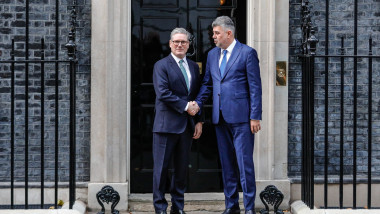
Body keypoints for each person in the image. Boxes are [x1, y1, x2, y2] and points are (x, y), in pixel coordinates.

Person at [193, 16, 262, 214]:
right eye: (213, 33)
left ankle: (249, 208)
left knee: (244, 164)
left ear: (228, 33)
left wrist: (255, 116)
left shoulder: (247, 53)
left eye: (216, 33)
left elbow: (255, 87)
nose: (213, 37)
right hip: (219, 118)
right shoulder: (212, 54)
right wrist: (198, 104)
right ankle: (231, 207)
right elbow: (208, 83)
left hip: (242, 119)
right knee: (227, 165)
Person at [152, 27, 204, 214]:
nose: (180, 45)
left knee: (181, 171)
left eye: (183, 42)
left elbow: (197, 94)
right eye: (176, 42)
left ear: (188, 45)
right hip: (166, 126)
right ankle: (160, 208)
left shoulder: (192, 67)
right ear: (170, 44)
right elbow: (163, 93)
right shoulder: (161, 65)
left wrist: (199, 120)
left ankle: (178, 207)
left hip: (186, 127)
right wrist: (185, 106)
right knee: (161, 170)